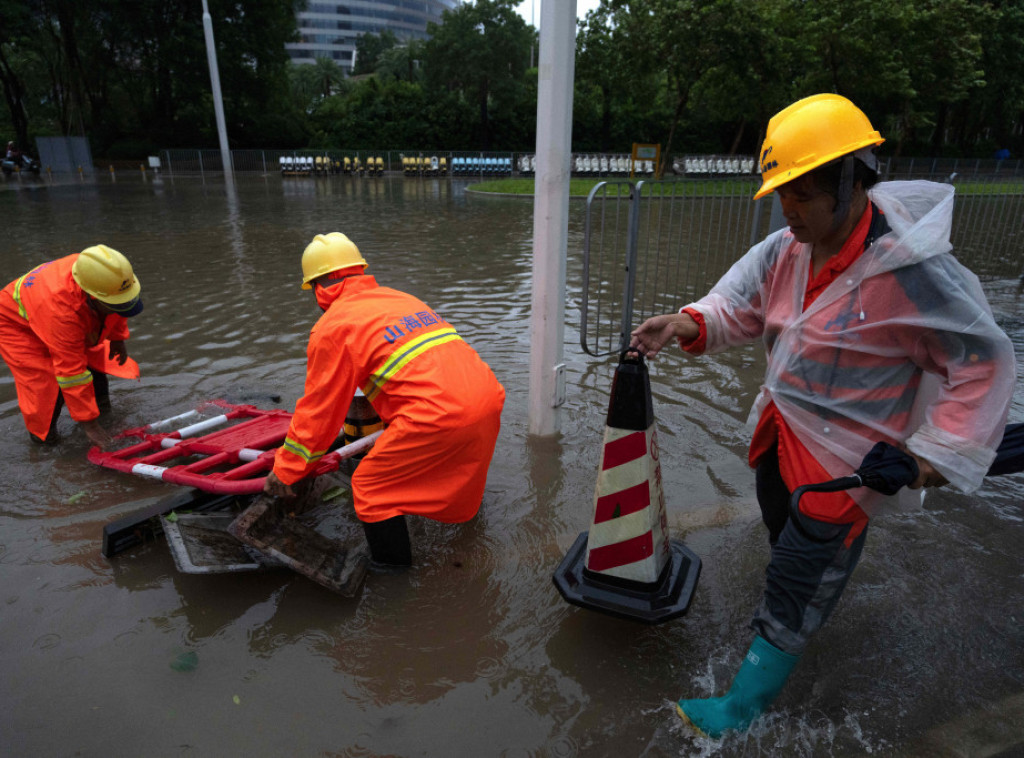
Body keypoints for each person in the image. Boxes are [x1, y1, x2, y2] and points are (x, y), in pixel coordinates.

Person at [629, 93, 1016, 738]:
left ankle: (737, 713)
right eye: (782, 192)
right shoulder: (787, 248)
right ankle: (797, 615)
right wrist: (685, 322)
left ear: (851, 180)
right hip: (778, 439)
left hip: (844, 469)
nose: (789, 208)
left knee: (793, 584)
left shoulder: (912, 272)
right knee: (788, 550)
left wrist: (929, 459)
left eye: (803, 193)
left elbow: (983, 362)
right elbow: (739, 307)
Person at [264, 232, 506, 566]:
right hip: (488, 398)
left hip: (438, 415)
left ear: (319, 287)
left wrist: (287, 469)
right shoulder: (400, 299)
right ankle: (469, 532)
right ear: (361, 270)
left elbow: (319, 412)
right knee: (457, 466)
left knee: (370, 486)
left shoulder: (333, 325)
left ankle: (393, 582)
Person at [0, 245, 144, 447]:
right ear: (93, 296)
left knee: (92, 365)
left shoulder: (104, 272)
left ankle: (102, 414)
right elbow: (71, 371)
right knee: (45, 384)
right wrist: (90, 426)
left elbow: (119, 303)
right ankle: (46, 443)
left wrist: (118, 338)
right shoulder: (61, 312)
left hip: (53, 311)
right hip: (16, 324)